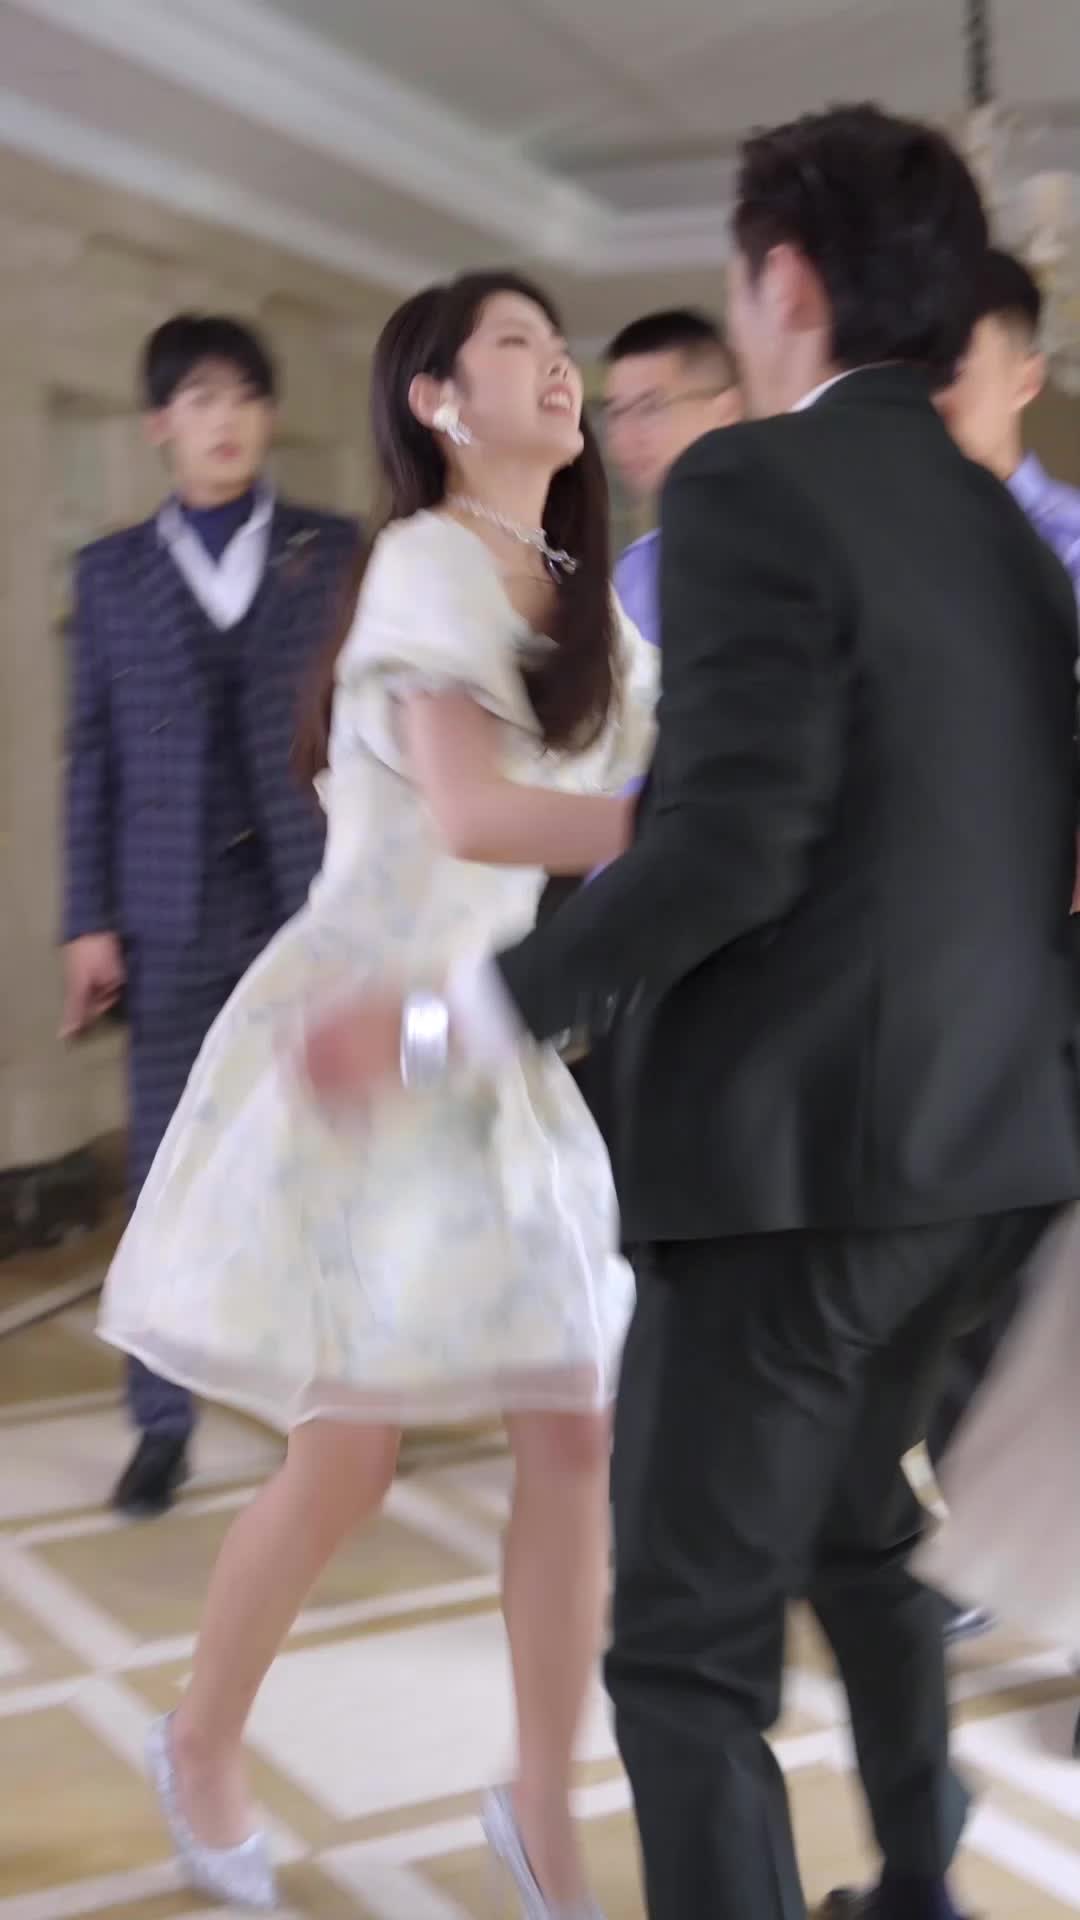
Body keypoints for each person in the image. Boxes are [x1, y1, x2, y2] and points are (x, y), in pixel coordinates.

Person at [303, 107, 1080, 1920]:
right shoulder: (1012, 534)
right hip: (987, 1157)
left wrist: (449, 1024)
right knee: (862, 1535)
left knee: (684, 1648)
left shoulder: (750, 486)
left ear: (784, 283)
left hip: (794, 1168)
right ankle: (918, 1885)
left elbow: (732, 847)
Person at [98, 270, 657, 1915]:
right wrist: (685, 831)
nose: (557, 368)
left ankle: (540, 1805)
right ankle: (201, 1739)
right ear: (436, 399)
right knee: (346, 1457)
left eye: (560, 346)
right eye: (515, 344)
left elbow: (658, 777)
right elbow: (476, 812)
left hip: (487, 1038)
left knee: (575, 1428)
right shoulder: (422, 559)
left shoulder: (589, 597)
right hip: (361, 1031)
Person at [62, 314, 359, 1518]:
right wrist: (88, 920)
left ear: (268, 414)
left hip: (308, 900)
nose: (223, 420)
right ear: (159, 426)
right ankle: (160, 1420)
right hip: (167, 908)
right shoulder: (110, 571)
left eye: (242, 396)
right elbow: (91, 752)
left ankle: (333, 1409)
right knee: (166, 1166)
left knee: (326, 1152)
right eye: (198, 400)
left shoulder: (335, 550)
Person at [929, 250, 1080, 1641]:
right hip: (952, 972)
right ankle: (990, 1540)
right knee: (966, 1268)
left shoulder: (1075, 547)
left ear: (1025, 373)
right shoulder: (895, 553)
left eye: (956, 363)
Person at [602, 308, 741, 649]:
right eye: (616, 413)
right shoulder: (633, 570)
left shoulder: (785, 543)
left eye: (650, 408)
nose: (624, 437)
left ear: (725, 412)